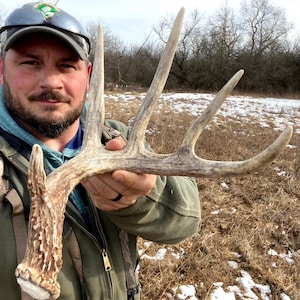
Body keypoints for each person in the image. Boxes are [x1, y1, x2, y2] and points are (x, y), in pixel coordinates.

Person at [0, 2, 201, 300]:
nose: (51, 82)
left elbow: (187, 221)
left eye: (67, 66)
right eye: (31, 63)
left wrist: (139, 197)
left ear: (89, 75)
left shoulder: (117, 137)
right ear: (1, 69)